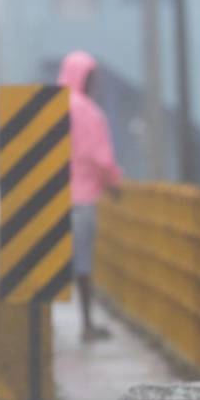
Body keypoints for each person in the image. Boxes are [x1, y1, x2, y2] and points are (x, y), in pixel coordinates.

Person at [57, 50, 123, 342]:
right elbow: (101, 158)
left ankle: (43, 329)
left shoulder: (52, 107)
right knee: (82, 263)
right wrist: (115, 185)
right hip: (81, 199)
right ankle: (86, 324)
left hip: (50, 200)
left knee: (49, 265)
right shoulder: (89, 112)